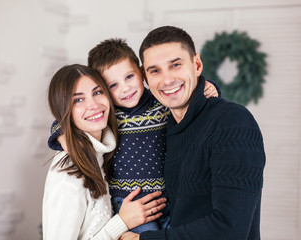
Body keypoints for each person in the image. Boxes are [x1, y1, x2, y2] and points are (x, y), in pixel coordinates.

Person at [48, 39, 220, 233]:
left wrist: (209, 87)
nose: (125, 88)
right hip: (128, 202)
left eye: (129, 77)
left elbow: (185, 92)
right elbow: (65, 121)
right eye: (112, 85)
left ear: (142, 73)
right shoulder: (109, 113)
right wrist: (62, 136)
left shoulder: (161, 102)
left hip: (169, 198)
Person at [120, 26, 266, 240]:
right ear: (145, 78)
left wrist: (140, 239)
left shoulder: (232, 121)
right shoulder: (163, 130)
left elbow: (230, 230)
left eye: (175, 65)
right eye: (155, 70)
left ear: (197, 65)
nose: (167, 80)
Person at [43, 64, 167, 240]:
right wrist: (121, 222)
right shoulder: (67, 176)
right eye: (78, 100)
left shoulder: (101, 153)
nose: (93, 104)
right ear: (63, 111)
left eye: (97, 92)